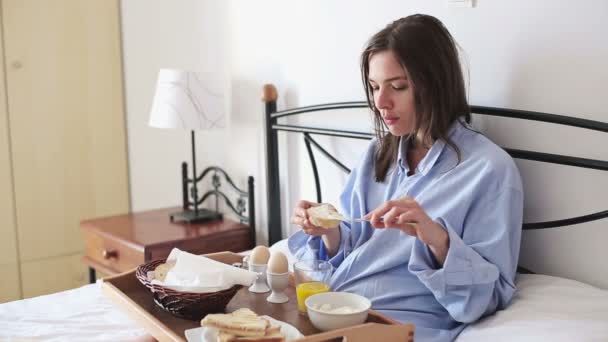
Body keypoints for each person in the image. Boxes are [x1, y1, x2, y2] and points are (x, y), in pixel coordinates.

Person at [288, 14, 523, 342]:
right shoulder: (378, 153)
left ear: (434, 83)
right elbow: (354, 245)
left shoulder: (489, 170)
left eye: (398, 86)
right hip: (338, 311)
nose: (380, 103)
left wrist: (436, 238)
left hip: (400, 326)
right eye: (374, 87)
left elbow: (489, 296)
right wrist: (328, 231)